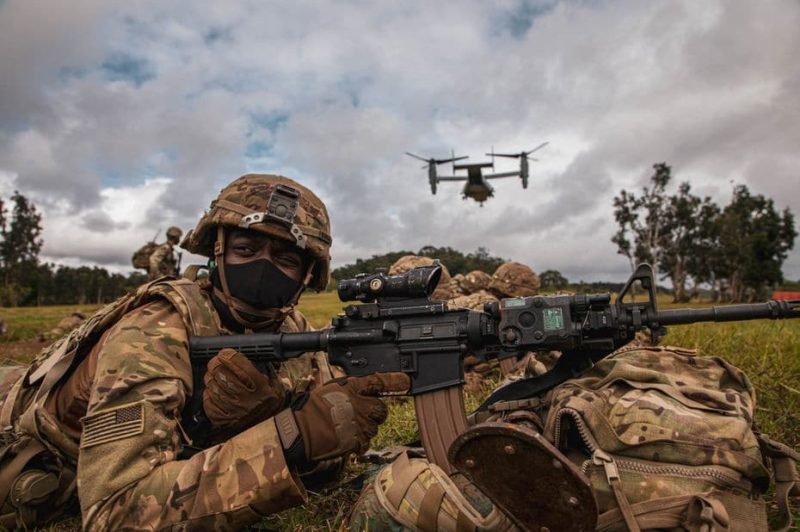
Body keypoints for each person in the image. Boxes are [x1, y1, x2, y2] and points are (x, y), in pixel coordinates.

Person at [0, 174, 409, 530]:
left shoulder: (297, 333)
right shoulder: (154, 333)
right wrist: (292, 436)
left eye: (285, 258)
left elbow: (317, 456)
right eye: (246, 250)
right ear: (217, 251)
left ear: (306, 275)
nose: (263, 267)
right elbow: (115, 513)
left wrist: (324, 433)